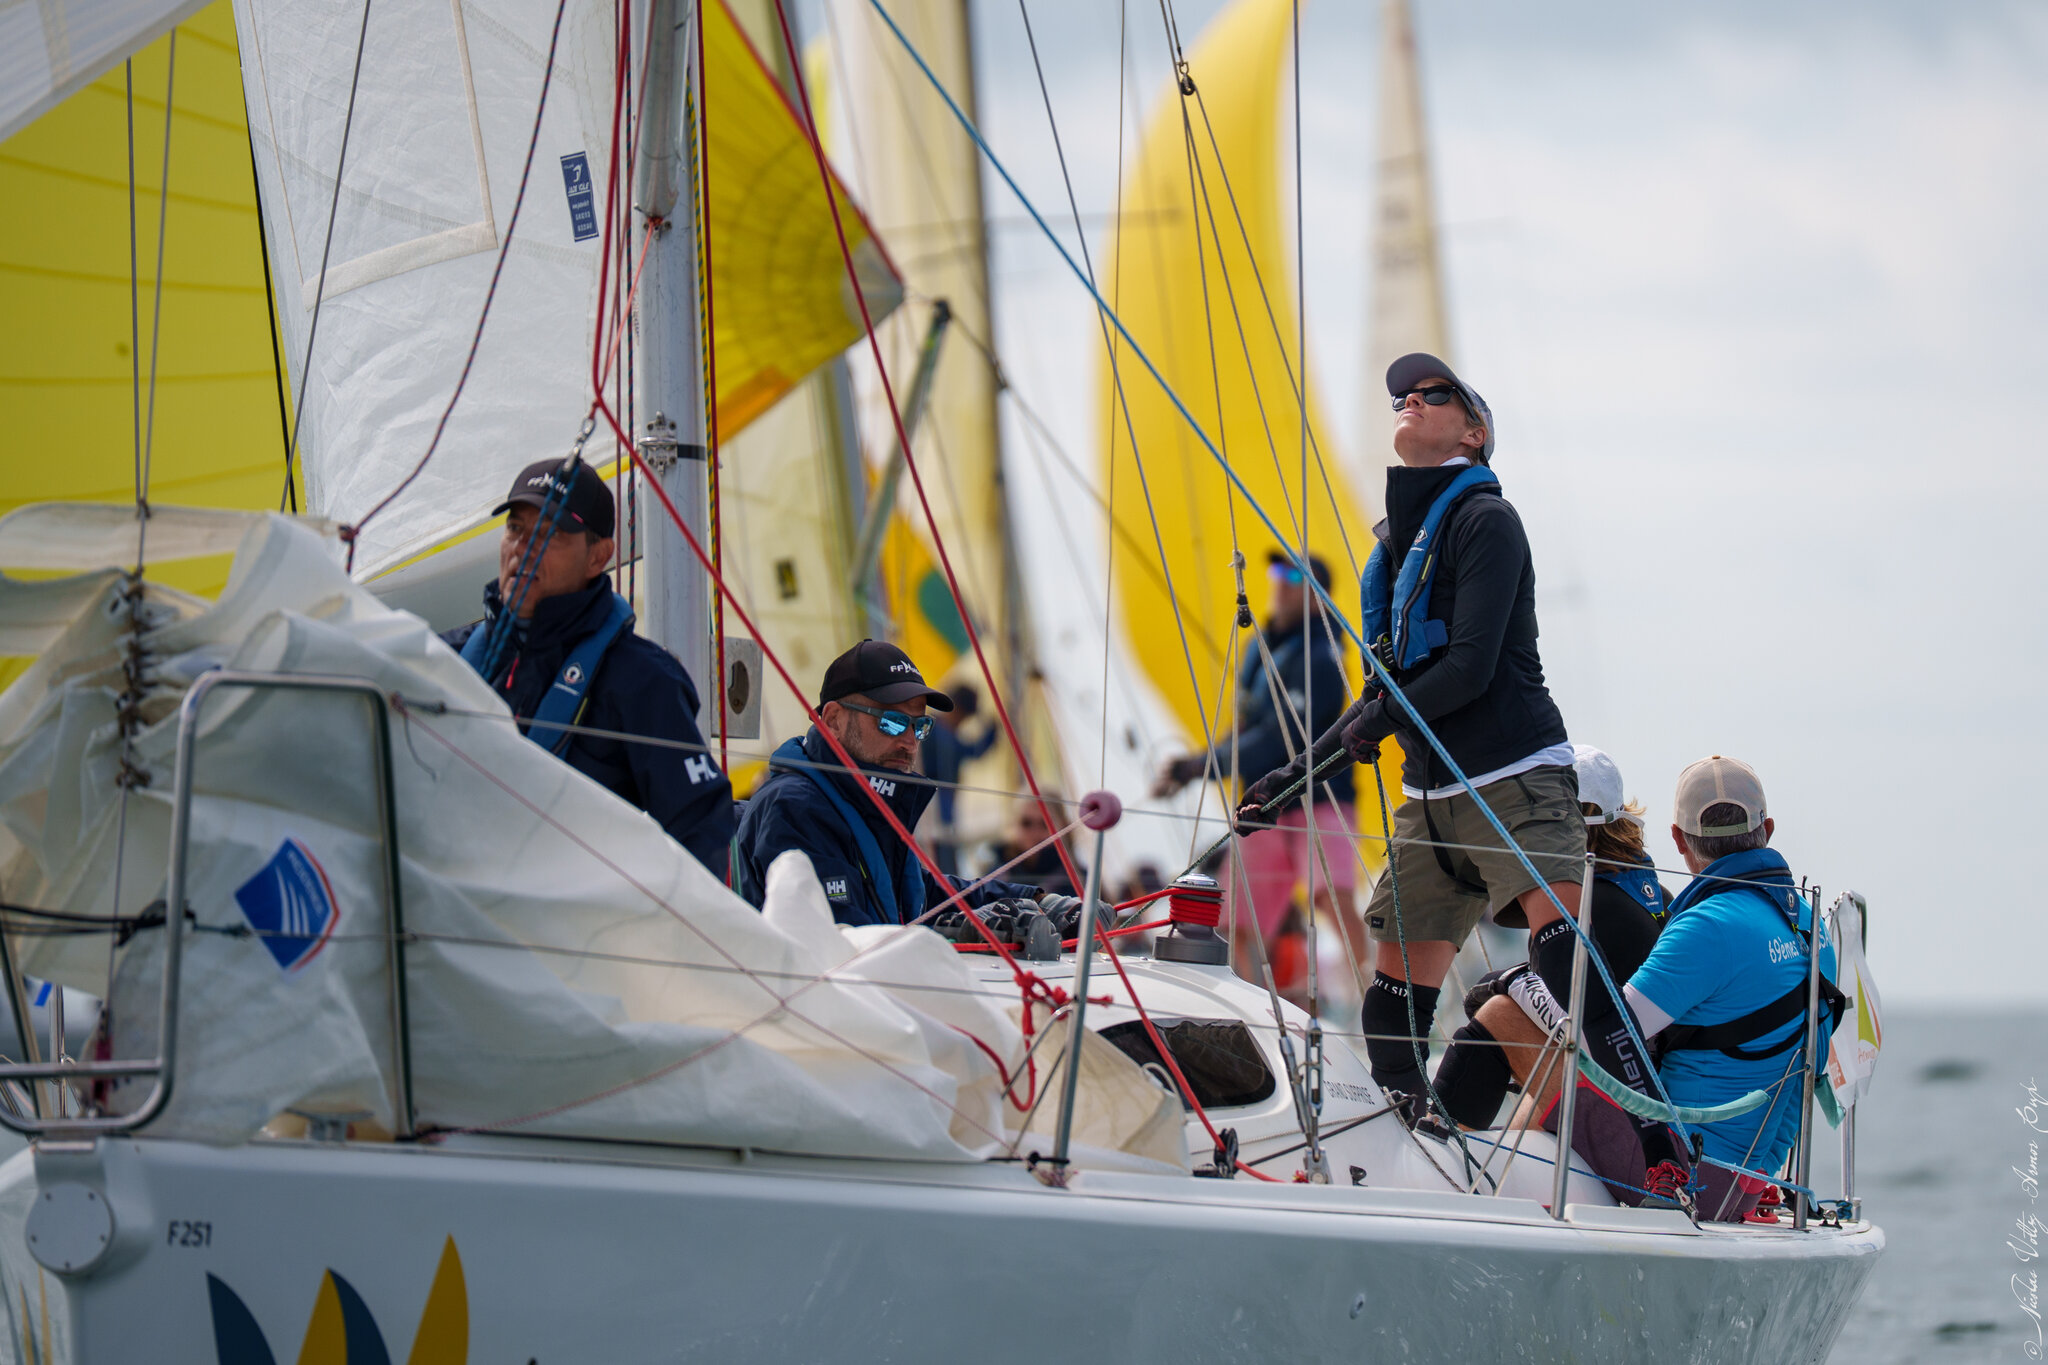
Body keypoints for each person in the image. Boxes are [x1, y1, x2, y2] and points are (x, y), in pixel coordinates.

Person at [1237, 355, 1633, 1126]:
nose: (1410, 399)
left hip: (1514, 775)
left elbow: (1469, 668)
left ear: (1474, 432)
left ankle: (1652, 1139)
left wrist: (1374, 722)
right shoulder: (1392, 552)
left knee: (1566, 969)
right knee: (1391, 1006)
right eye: (1402, 395)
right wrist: (1287, 779)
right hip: (1429, 798)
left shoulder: (1487, 521)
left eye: (1434, 393)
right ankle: (1410, 1135)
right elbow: (1379, 698)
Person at [444, 458, 734, 879]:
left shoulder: (644, 683)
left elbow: (700, 831)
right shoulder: (443, 657)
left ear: (598, 557)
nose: (523, 549)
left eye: (549, 534)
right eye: (515, 529)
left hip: (576, 915)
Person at [1427, 744, 1678, 1202]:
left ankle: (1432, 1147)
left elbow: (1575, 1020)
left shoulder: (1581, 907)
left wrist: (1508, 982)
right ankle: (1462, 1149)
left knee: (1502, 1013)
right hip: (1648, 1098)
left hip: (1627, 1112)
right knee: (1515, 1017)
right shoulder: (1651, 892)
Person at [1623, 757, 1842, 1222]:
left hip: (1692, 1175)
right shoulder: (1812, 925)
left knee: (1510, 1017)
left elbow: (1606, 1033)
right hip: (1754, 1179)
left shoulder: (1709, 926)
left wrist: (1522, 987)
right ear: (1768, 829)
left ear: (1678, 838)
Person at [733, 640, 1076, 931]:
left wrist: (1037, 902)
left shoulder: (865, 802)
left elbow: (924, 895)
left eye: (919, 726)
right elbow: (840, 938)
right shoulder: (796, 807)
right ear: (834, 720)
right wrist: (960, 932)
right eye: (892, 722)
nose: (910, 742)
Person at [1154, 551, 1357, 987]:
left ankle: (1372, 999)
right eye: (1277, 572)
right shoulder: (1258, 649)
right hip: (1262, 807)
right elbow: (1248, 728)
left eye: (1294, 576)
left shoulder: (1323, 658)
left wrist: (1200, 766)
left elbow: (1278, 739)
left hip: (1320, 799)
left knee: (1330, 899)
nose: (1279, 581)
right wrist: (1196, 764)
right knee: (1237, 921)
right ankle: (1251, 1013)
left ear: (1317, 596)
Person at [922, 683, 996, 876]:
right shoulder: (939, 734)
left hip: (940, 810)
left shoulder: (940, 732)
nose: (962, 723)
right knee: (942, 857)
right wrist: (991, 725)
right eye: (964, 717)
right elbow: (974, 750)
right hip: (933, 809)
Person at [990, 800, 1082, 898]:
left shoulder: (1082, 881)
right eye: (1026, 823)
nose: (1035, 833)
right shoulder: (995, 876)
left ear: (1064, 826)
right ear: (1013, 824)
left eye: (1045, 824)